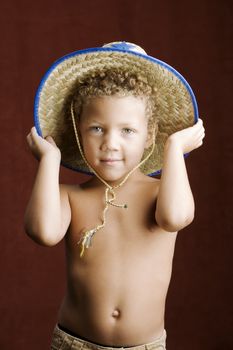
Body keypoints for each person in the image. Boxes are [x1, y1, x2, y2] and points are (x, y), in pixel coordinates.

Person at [25, 42, 205, 350]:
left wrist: (173, 147)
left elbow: (175, 217)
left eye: (128, 131)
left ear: (149, 135)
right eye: (96, 128)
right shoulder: (71, 197)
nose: (110, 143)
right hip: (73, 343)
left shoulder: (161, 193)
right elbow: (42, 232)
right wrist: (49, 160)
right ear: (79, 132)